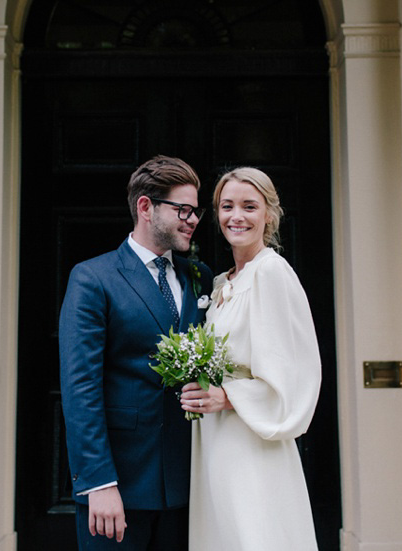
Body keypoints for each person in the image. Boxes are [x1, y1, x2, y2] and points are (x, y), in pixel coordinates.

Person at [59, 155, 213, 550]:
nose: (193, 219)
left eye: (196, 211)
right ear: (145, 207)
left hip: (190, 485)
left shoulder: (201, 277)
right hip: (118, 488)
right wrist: (99, 483)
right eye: (183, 209)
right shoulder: (93, 278)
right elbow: (81, 388)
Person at [179, 167, 322, 550]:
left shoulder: (272, 273)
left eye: (249, 206)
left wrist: (227, 397)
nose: (236, 216)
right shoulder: (223, 283)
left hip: (251, 441)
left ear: (269, 215)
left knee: (254, 535)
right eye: (227, 206)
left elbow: (297, 373)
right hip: (215, 439)